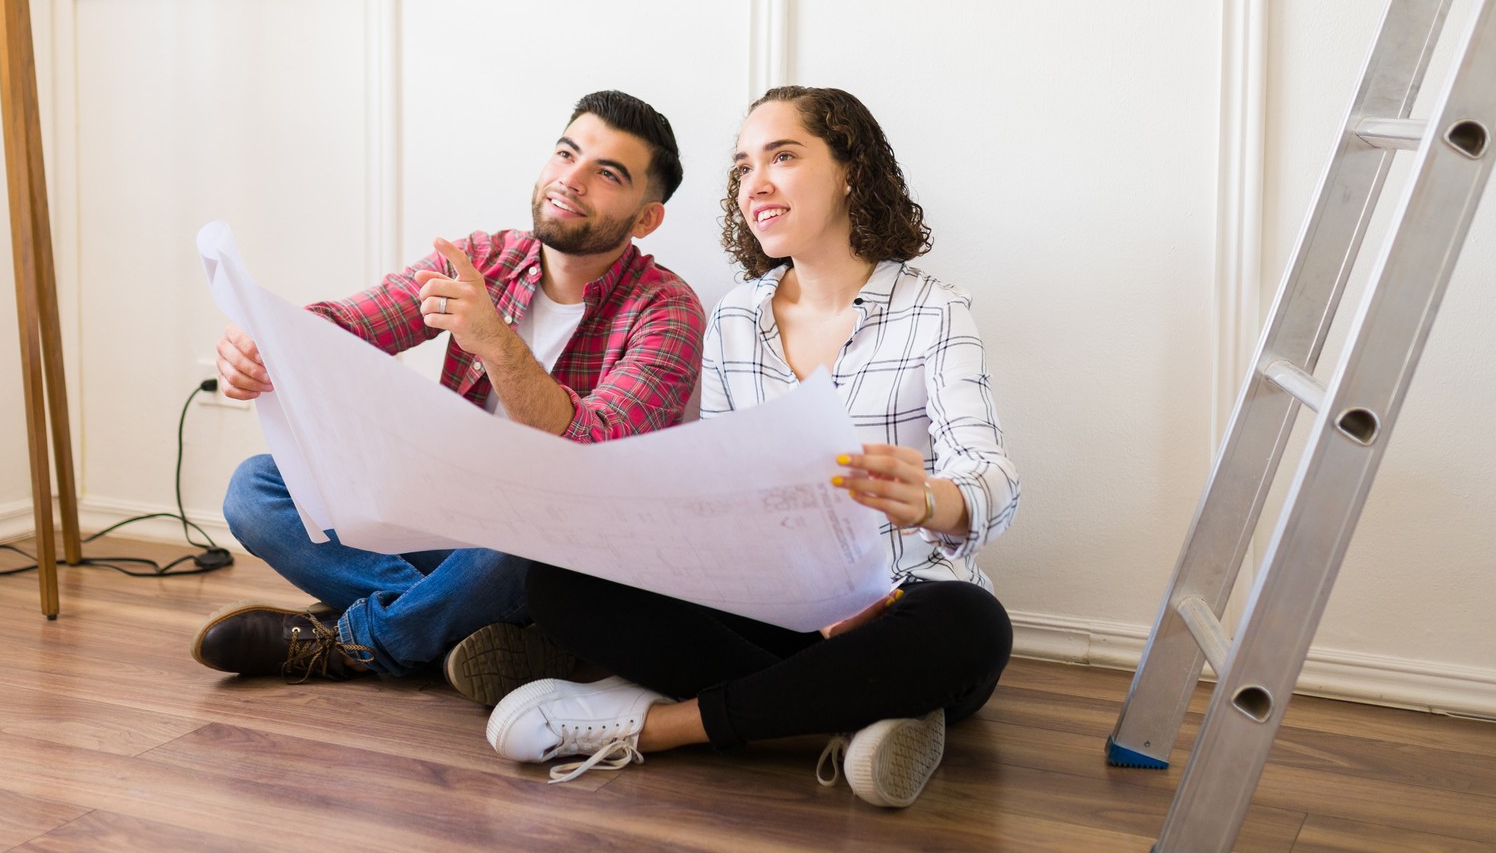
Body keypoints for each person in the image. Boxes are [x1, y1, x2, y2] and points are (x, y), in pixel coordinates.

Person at [486, 85, 1019, 809]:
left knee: (973, 627)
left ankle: (661, 725)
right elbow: (727, 493)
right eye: (743, 167)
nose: (754, 183)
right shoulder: (737, 316)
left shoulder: (936, 310)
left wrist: (932, 499)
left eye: (784, 156)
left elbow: (991, 475)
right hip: (778, 614)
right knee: (560, 577)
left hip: (907, 607)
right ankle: (855, 711)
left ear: (852, 172)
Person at [196, 89, 706, 702]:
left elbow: (590, 451)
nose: (570, 180)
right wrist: (264, 345)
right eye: (566, 154)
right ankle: (464, 625)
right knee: (255, 489)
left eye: (607, 174)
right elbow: (352, 323)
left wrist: (495, 339)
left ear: (646, 218)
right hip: (450, 521)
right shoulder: (487, 259)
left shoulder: (668, 310)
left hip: (555, 543)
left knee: (531, 534)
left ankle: (358, 642)